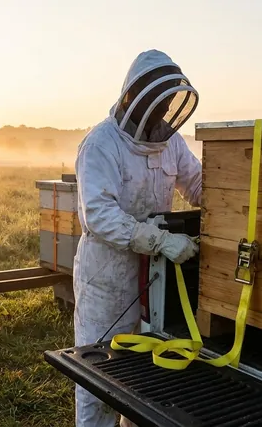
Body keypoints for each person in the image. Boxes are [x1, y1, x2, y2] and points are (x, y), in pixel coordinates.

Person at [72, 49, 203, 427]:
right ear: (134, 99)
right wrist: (159, 241)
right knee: (97, 376)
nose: (161, 116)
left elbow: (195, 183)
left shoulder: (170, 142)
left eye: (165, 107)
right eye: (155, 106)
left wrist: (228, 201)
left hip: (153, 277)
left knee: (144, 376)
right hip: (107, 278)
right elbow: (98, 215)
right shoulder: (100, 144)